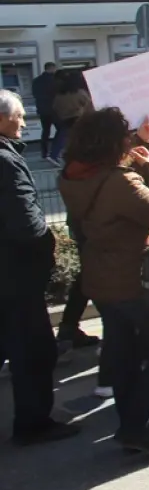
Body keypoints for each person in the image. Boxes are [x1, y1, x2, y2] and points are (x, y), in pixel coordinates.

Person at [58, 108, 149, 454]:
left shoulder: (72, 177)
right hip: (132, 277)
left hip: (101, 277)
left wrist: (140, 150)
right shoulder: (119, 182)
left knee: (124, 352)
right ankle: (138, 426)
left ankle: (132, 424)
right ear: (113, 143)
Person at [0, 90, 79, 445]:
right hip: (15, 275)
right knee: (33, 351)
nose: (23, 122)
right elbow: (27, 223)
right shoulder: (6, 161)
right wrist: (45, 244)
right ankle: (33, 423)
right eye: (18, 116)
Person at [50, 70, 92, 163]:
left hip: (65, 118)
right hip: (79, 117)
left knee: (63, 137)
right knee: (82, 138)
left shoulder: (60, 94)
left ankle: (54, 154)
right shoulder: (79, 92)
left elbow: (55, 107)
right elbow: (89, 104)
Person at [32, 62, 57, 160]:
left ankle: (44, 153)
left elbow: (34, 94)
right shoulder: (54, 80)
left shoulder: (36, 80)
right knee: (61, 131)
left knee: (45, 131)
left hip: (42, 110)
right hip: (54, 110)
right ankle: (55, 151)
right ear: (52, 68)